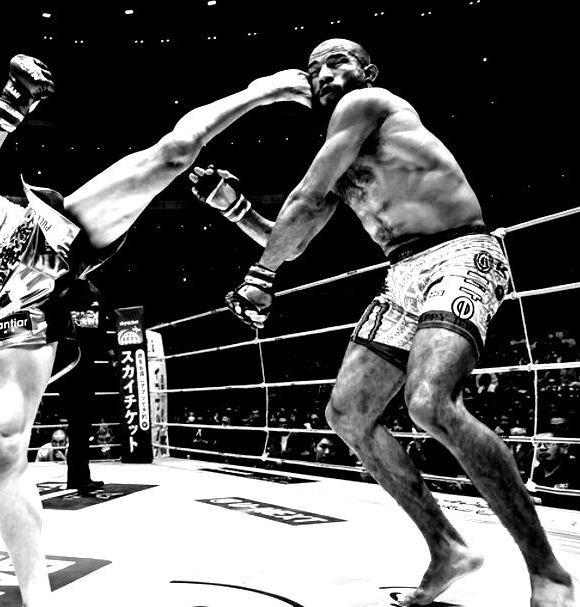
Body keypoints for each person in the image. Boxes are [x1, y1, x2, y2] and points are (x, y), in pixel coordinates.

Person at [0, 19, 310, 606]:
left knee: (169, 154)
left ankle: (263, 92)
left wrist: (7, 133)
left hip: (52, 232)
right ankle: (38, 598)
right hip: (13, 300)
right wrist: (9, 107)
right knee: (2, 446)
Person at [191, 38, 574, 607]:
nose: (323, 73)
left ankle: (549, 573)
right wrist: (235, 209)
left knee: (430, 402)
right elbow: (293, 238)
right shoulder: (343, 154)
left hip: (459, 253)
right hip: (403, 273)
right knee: (347, 413)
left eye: (336, 61)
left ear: (367, 71)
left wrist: (259, 276)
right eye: (314, 68)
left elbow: (304, 198)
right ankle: (447, 547)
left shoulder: (367, 103)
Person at [56, 278, 109, 494]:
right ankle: (79, 477)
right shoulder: (63, 292)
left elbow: (100, 327)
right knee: (79, 421)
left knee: (82, 422)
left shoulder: (93, 292)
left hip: (83, 362)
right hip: (69, 363)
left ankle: (78, 476)